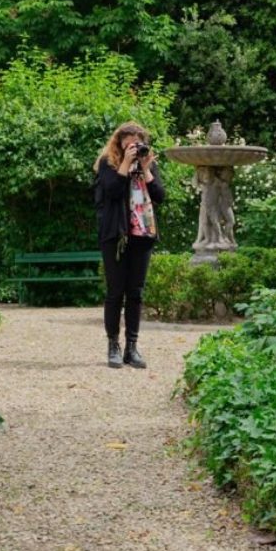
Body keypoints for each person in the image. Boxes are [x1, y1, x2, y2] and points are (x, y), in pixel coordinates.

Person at [94, 122, 165, 369]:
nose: (134, 146)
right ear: (120, 142)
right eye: (129, 142)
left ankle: (131, 348)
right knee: (115, 292)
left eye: (138, 141)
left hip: (142, 234)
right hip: (116, 234)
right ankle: (113, 346)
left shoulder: (148, 163)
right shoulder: (108, 163)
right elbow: (112, 191)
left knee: (135, 293)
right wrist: (125, 163)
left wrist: (146, 170)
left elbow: (160, 196)